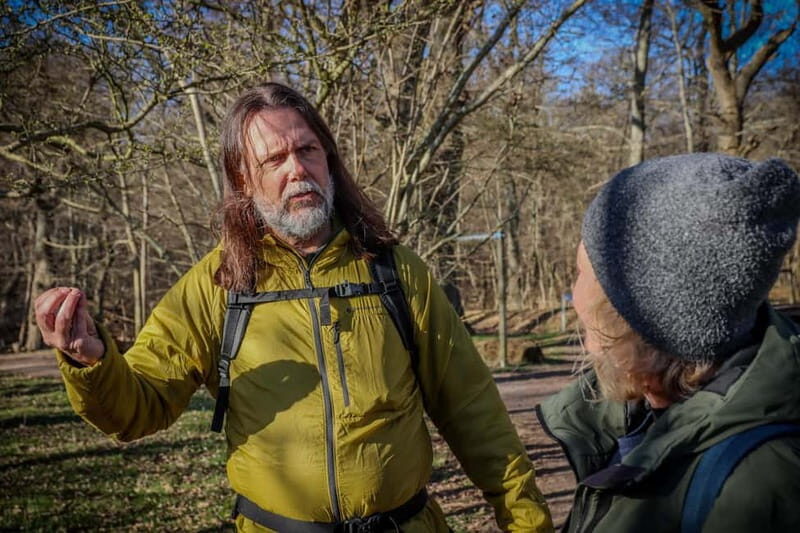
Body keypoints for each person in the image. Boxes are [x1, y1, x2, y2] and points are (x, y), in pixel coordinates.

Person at [34, 82, 553, 532]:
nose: (297, 169)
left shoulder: (395, 272)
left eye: (307, 150)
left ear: (329, 160)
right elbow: (138, 408)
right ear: (243, 179)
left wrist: (528, 521)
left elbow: (473, 411)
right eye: (273, 160)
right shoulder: (216, 286)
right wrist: (90, 359)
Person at [536, 153, 800, 532]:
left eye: (580, 272)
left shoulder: (758, 487)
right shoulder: (638, 421)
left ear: (633, 317)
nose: (573, 297)